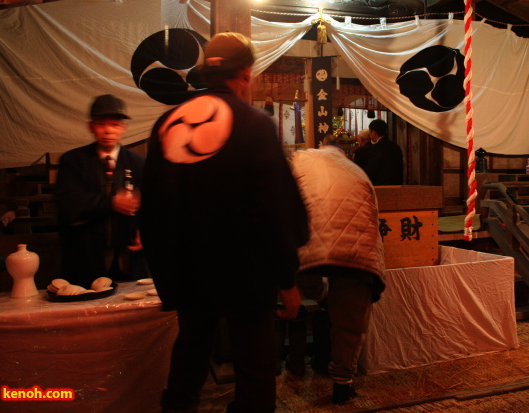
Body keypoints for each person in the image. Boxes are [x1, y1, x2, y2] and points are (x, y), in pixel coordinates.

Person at [141, 32, 309, 413]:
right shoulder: (253, 124)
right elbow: (275, 209)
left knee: (190, 357)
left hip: (189, 273)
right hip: (247, 276)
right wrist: (287, 279)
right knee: (254, 367)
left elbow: (152, 210)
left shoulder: (168, 123)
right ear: (246, 74)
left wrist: (168, 281)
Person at [290, 144, 385, 405]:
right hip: (357, 251)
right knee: (351, 322)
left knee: (306, 275)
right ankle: (342, 386)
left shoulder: (299, 158)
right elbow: (373, 216)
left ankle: (322, 297)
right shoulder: (357, 170)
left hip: (310, 246)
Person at [55, 94, 145, 284]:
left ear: (123, 128)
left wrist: (145, 231)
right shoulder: (73, 161)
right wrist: (112, 202)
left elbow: (153, 205)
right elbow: (68, 204)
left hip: (128, 258)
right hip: (86, 258)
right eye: (101, 124)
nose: (108, 131)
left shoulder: (137, 163)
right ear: (91, 127)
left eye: (114, 125)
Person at [365, 119, 403, 185]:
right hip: (397, 185)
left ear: (373, 132)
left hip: (381, 187)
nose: (370, 135)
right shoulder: (396, 147)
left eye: (370, 132)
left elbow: (371, 171)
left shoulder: (376, 148)